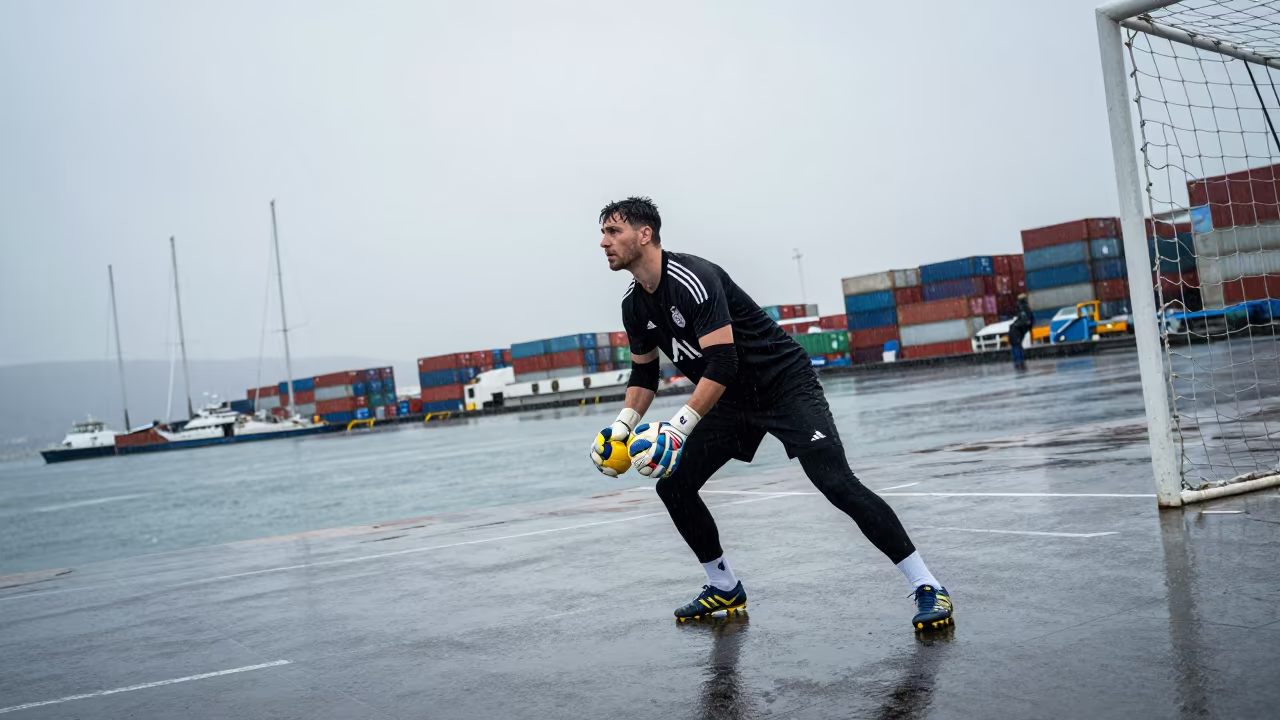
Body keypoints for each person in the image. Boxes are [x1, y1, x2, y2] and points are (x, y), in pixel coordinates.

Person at [589, 196, 952, 630]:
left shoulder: (695, 279)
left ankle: (928, 585)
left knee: (836, 483)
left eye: (613, 232)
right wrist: (620, 428)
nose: (603, 243)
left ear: (644, 234)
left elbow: (723, 363)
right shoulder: (634, 305)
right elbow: (644, 375)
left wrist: (678, 428)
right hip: (731, 399)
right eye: (604, 233)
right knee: (675, 487)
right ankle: (723, 586)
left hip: (783, 385)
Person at [1008, 294, 1034, 369]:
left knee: (1016, 346)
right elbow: (1028, 321)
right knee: (1017, 346)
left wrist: (1015, 325)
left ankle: (1018, 363)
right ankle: (1020, 362)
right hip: (1019, 330)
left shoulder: (1022, 308)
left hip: (1017, 331)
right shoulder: (1026, 308)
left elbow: (1025, 320)